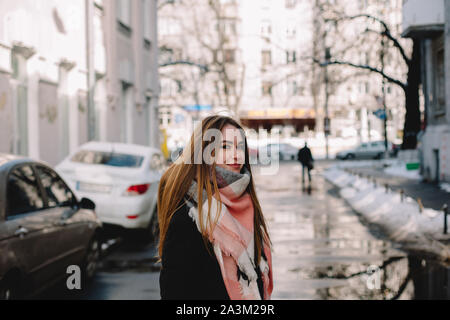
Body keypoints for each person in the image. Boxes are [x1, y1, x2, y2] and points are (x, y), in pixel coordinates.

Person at [158, 115, 273, 300]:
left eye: (240, 147)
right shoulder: (189, 213)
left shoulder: (247, 204)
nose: (236, 155)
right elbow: (174, 290)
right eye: (225, 147)